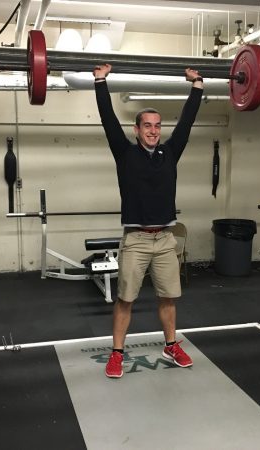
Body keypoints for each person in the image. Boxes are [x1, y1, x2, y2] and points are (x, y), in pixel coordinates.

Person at [93, 63, 204, 378]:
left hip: (165, 239)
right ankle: (117, 353)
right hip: (136, 239)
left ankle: (171, 345)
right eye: (147, 126)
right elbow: (107, 120)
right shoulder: (124, 154)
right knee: (126, 299)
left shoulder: (170, 153)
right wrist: (101, 82)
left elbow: (187, 121)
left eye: (157, 125)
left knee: (168, 297)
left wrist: (196, 85)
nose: (154, 130)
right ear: (137, 130)